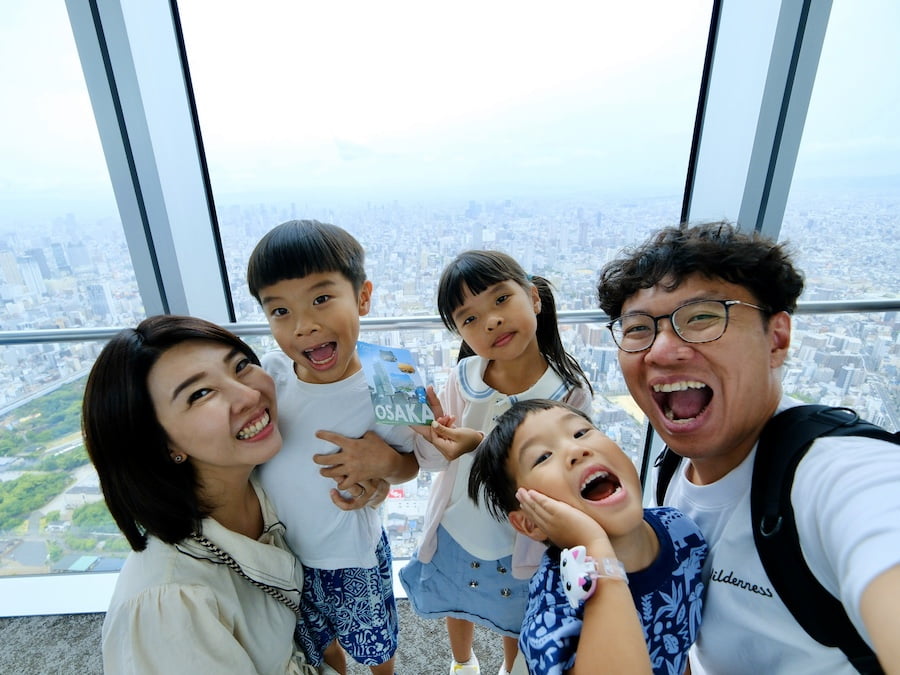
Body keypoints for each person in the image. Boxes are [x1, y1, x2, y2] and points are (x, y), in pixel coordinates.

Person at [596, 221, 900, 674]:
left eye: (701, 317)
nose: (660, 350)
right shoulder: (674, 464)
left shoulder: (835, 476)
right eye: (638, 328)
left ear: (776, 339)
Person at [82, 315, 330, 675]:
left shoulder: (272, 476)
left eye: (241, 365)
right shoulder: (169, 607)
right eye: (200, 394)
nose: (249, 395)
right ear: (161, 443)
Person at [399, 250, 594, 675]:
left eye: (501, 300)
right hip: (455, 524)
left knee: (514, 616)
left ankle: (510, 669)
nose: (489, 321)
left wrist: (476, 445)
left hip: (517, 538)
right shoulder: (464, 376)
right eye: (469, 319)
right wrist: (429, 432)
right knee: (458, 603)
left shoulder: (567, 392)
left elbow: (564, 477)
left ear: (534, 297)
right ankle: (462, 664)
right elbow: (437, 462)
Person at [247, 219, 426, 675]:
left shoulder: (393, 375)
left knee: (375, 646)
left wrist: (385, 463)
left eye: (321, 299)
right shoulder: (270, 374)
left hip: (352, 554)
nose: (304, 326)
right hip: (283, 554)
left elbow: (413, 467)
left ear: (363, 297)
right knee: (317, 645)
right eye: (280, 311)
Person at [468, 398, 707, 675]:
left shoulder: (683, 532)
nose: (576, 450)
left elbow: (679, 645)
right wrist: (596, 549)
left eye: (581, 433)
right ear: (529, 522)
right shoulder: (553, 610)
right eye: (543, 457)